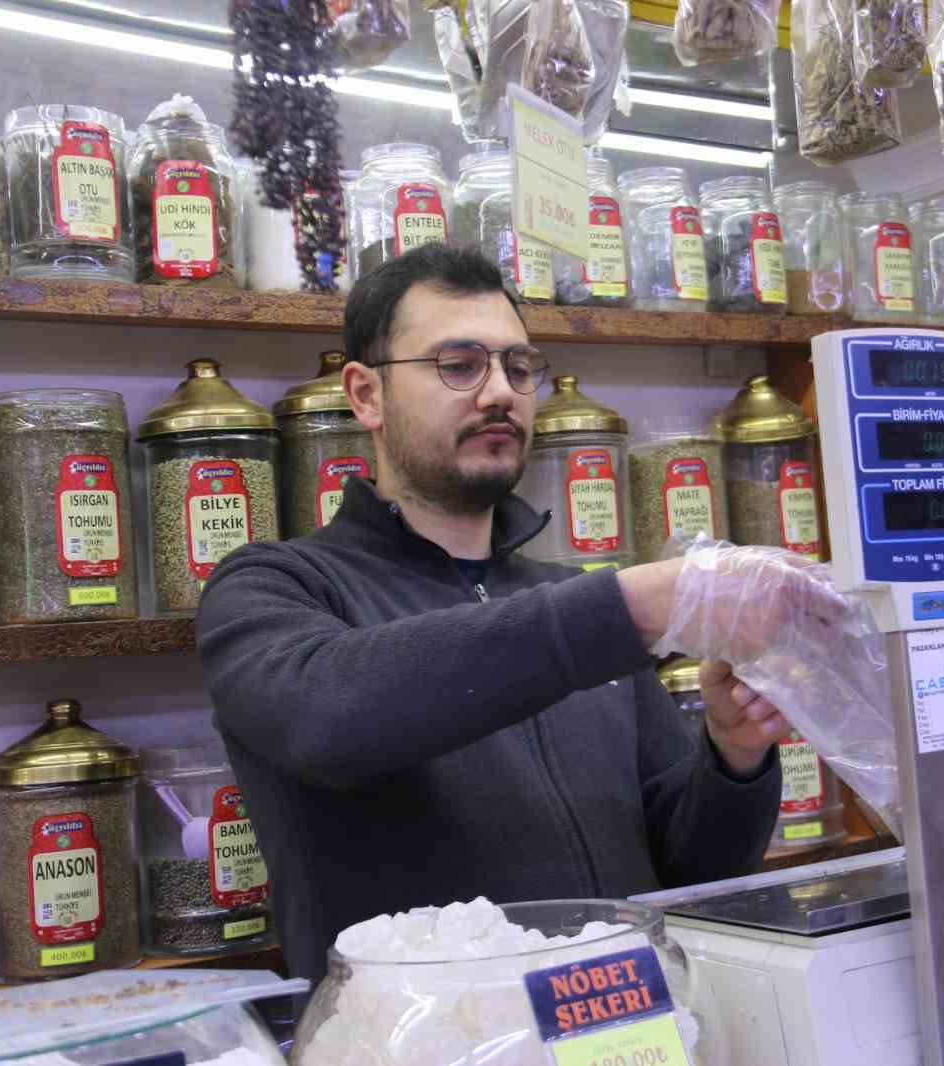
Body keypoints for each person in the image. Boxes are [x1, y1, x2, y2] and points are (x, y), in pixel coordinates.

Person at [196, 244, 814, 984]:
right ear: (365, 395)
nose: (500, 393)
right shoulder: (276, 588)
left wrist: (733, 755)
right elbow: (326, 717)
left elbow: (690, 871)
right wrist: (632, 603)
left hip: (619, 1033)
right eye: (459, 365)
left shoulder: (568, 598)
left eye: (519, 368)